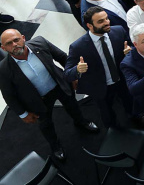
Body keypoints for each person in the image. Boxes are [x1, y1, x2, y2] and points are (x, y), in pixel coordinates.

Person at [0, 29, 99, 162]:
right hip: (38, 99)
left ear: (23, 38)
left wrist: (73, 76)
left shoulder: (40, 42)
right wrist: (23, 114)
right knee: (46, 124)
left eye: (16, 40)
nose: (14, 44)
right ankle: (55, 146)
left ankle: (81, 122)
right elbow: (8, 94)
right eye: (9, 43)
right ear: (3, 48)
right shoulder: (3, 68)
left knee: (73, 105)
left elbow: (64, 58)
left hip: (58, 84)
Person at [63, 7, 136, 129]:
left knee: (130, 102)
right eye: (101, 21)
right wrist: (77, 70)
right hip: (101, 87)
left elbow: (131, 46)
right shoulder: (78, 47)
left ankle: (135, 117)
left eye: (106, 18)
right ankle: (114, 131)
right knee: (107, 114)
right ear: (89, 25)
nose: (107, 22)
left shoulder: (118, 31)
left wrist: (130, 51)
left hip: (122, 80)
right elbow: (67, 74)